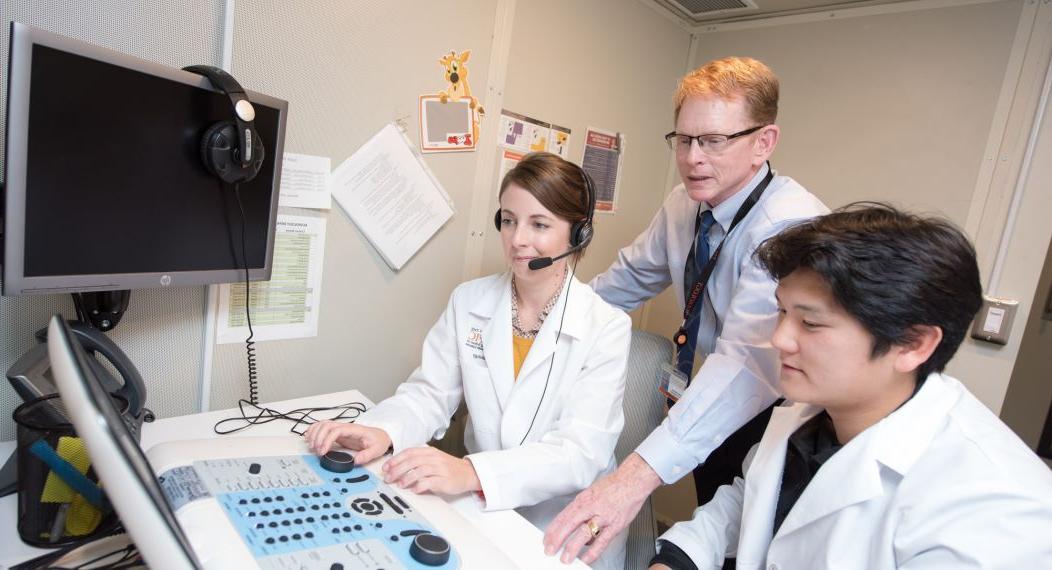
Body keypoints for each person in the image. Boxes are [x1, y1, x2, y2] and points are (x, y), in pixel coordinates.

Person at [650, 204, 1052, 569]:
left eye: (810, 323)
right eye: (782, 311)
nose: (780, 339)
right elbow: (749, 503)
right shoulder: (808, 415)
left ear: (912, 343)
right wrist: (676, 559)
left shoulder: (998, 510)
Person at [545, 57, 828, 565]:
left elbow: (747, 364)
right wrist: (547, 328)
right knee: (712, 532)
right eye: (684, 139)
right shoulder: (685, 203)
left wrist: (632, 478)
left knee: (760, 543)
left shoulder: (789, 225)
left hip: (784, 406)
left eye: (714, 141)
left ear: (764, 141)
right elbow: (626, 280)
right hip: (711, 397)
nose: (693, 157)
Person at [304, 152, 631, 570]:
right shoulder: (470, 301)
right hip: (484, 513)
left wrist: (472, 473)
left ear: (579, 234)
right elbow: (430, 394)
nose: (517, 240)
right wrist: (382, 430)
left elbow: (579, 454)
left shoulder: (606, 327)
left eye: (540, 224)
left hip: (564, 533)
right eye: (509, 220)